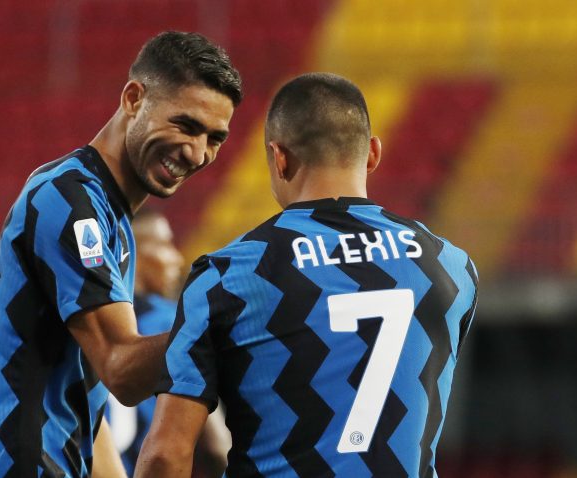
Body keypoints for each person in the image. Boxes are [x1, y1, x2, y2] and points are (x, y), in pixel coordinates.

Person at [135, 73, 478, 477]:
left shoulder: (229, 277)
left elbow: (166, 455)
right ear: (372, 153)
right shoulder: (451, 267)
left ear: (279, 158)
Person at [0, 31, 241, 477]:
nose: (197, 153)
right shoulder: (69, 201)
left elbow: (88, 395)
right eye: (186, 125)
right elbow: (123, 369)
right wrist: (227, 319)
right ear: (134, 98)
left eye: (215, 137)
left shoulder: (112, 218)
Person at [106, 209, 230, 477]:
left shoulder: (90, 326)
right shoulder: (171, 321)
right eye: (164, 244)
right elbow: (218, 446)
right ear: (134, 254)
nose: (177, 258)